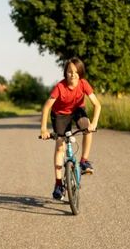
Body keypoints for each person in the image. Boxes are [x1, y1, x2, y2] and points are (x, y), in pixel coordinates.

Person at [40, 57, 101, 200]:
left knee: (86, 126)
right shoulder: (60, 87)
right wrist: (43, 129)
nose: (72, 75)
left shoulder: (84, 84)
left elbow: (97, 105)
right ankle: (58, 184)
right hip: (60, 114)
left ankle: (84, 161)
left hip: (77, 110)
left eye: (76, 72)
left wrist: (94, 123)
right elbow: (46, 107)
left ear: (80, 74)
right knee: (60, 146)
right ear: (65, 73)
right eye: (69, 72)